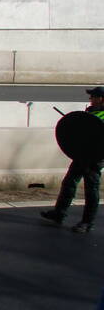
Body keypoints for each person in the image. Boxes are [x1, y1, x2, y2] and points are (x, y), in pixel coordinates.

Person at [40, 87, 104, 234]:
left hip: (95, 158)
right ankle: (59, 213)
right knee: (69, 183)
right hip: (81, 154)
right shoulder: (90, 112)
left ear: (101, 99)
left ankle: (87, 222)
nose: (90, 99)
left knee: (91, 190)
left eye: (93, 97)